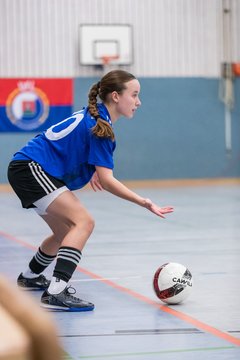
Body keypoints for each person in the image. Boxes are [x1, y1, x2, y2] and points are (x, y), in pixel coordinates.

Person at [7, 70, 173, 312]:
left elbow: (75, 146)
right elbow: (107, 181)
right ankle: (56, 292)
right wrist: (144, 201)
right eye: (134, 95)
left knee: (65, 230)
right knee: (84, 222)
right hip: (32, 169)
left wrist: (93, 167)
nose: (138, 102)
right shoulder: (100, 127)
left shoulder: (94, 119)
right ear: (116, 96)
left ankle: (30, 276)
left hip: (26, 168)